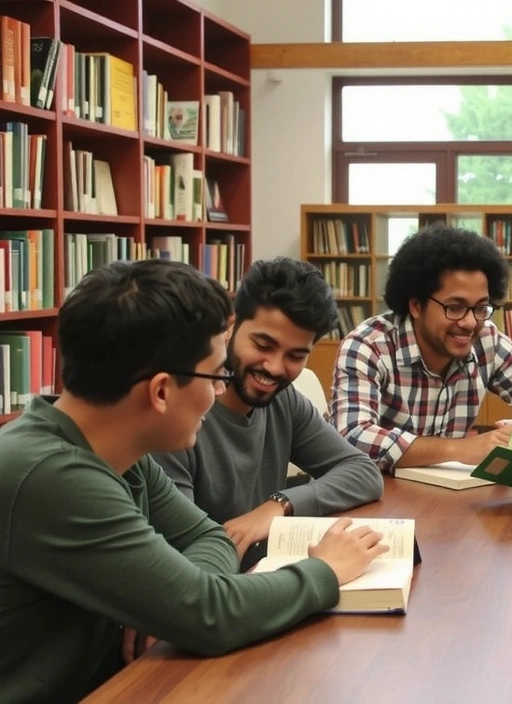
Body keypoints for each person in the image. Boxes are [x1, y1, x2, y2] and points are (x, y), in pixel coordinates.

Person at [0, 260, 388, 703]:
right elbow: (211, 613)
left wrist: (171, 603)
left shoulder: (121, 454)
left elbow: (208, 539)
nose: (222, 391)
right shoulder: (54, 476)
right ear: (161, 391)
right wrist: (327, 570)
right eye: (215, 375)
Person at [154, 258, 383, 568]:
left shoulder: (284, 401)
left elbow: (363, 472)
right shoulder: (175, 417)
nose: (275, 367)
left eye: (295, 355)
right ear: (230, 326)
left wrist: (279, 505)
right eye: (262, 344)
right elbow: (185, 566)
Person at [331, 223, 512, 473]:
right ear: (415, 306)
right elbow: (351, 437)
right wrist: (461, 449)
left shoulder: (487, 340)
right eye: (455, 307)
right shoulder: (369, 346)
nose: (470, 322)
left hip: (451, 497)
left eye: (481, 308)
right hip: (381, 496)